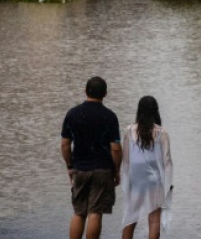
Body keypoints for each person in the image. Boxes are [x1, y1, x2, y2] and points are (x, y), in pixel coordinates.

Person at [61, 77, 122, 239]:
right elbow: (115, 148)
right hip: (103, 169)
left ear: (85, 91)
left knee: (79, 212)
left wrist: (69, 166)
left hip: (79, 168)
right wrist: (117, 171)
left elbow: (65, 145)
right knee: (95, 212)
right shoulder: (110, 116)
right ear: (105, 93)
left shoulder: (72, 114)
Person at [121, 96, 173, 239]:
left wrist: (127, 180)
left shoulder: (129, 130)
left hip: (136, 178)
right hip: (154, 179)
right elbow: (167, 160)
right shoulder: (162, 132)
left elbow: (126, 160)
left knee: (130, 217)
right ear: (155, 111)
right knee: (154, 219)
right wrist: (168, 183)